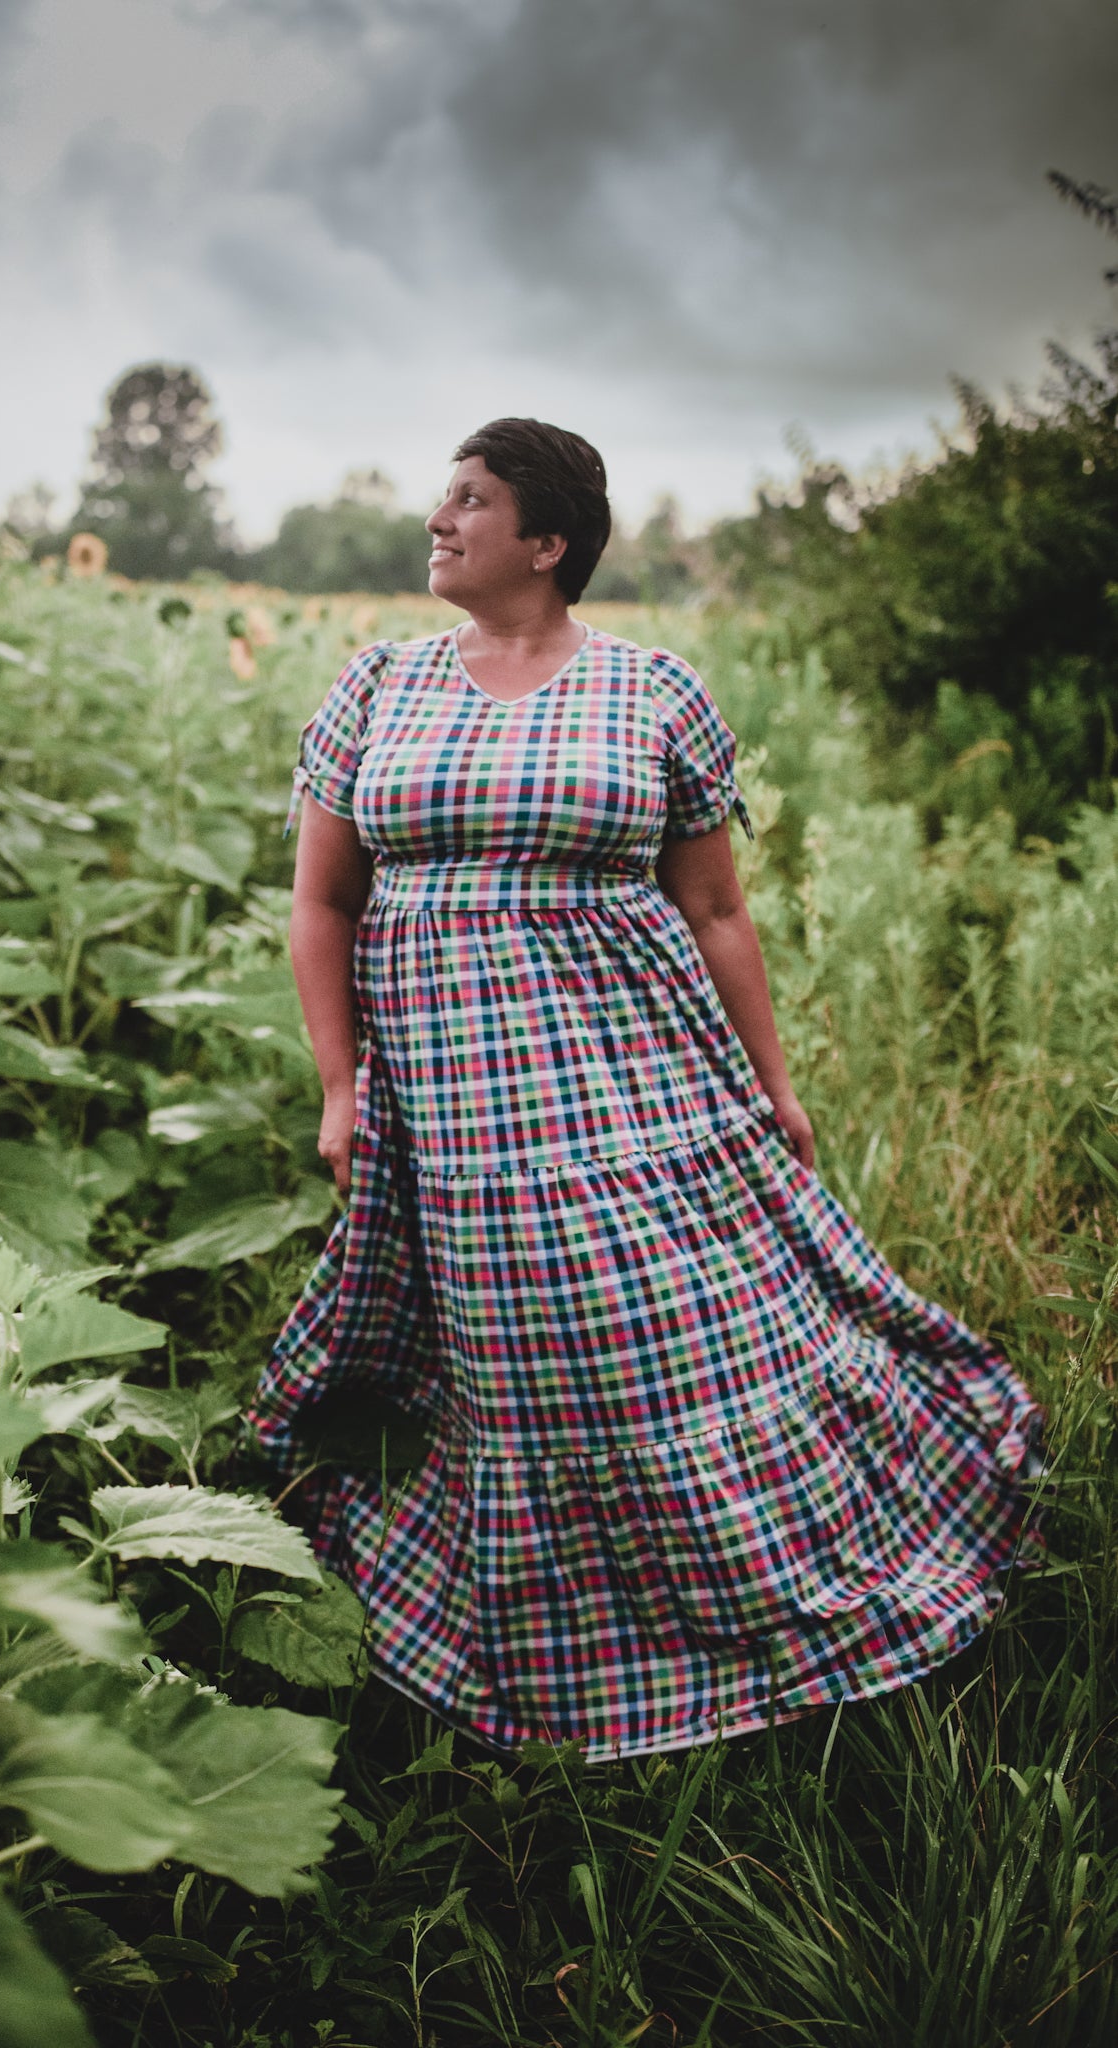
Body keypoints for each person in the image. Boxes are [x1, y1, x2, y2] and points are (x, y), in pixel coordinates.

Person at [242, 417, 1043, 1762]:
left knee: (672, 1324)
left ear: (546, 542)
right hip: (453, 1106)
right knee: (522, 1356)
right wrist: (339, 1085)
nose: (436, 523)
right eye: (441, 501)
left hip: (634, 1074)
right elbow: (321, 903)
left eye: (469, 503)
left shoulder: (650, 692)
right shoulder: (376, 687)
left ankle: (748, 1594)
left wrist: (770, 1085)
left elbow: (717, 910)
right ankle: (569, 1640)